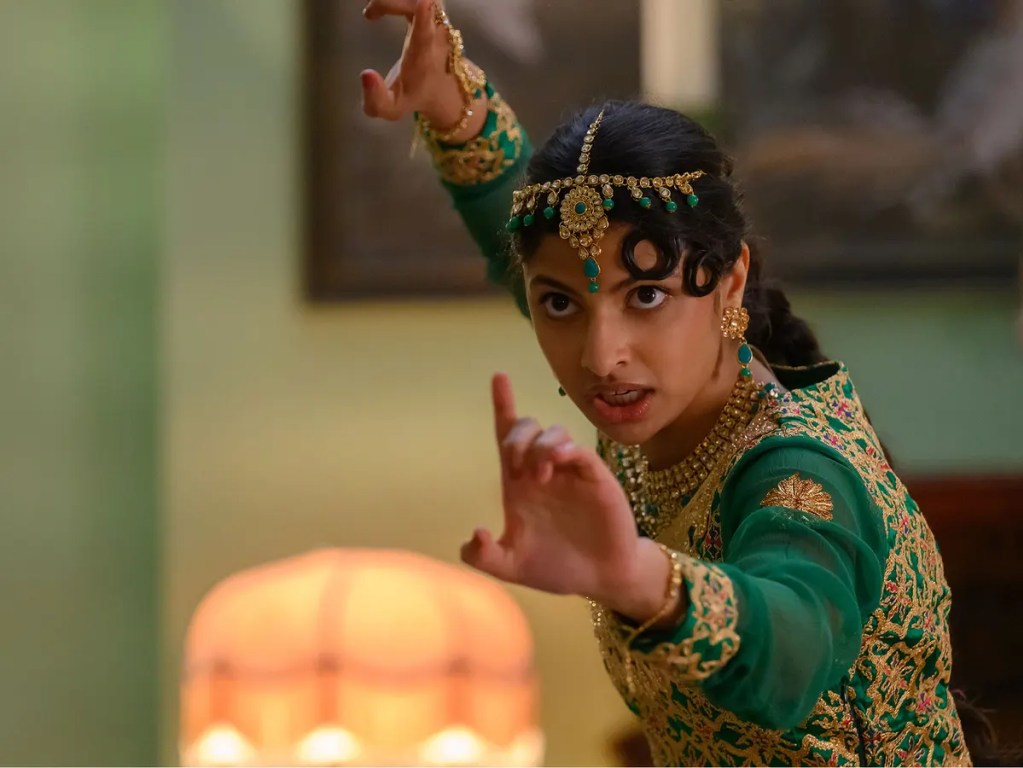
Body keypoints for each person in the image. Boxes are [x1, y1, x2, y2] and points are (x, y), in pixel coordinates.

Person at [358, 1, 974, 764]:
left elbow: (794, 643)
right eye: (560, 305)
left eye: (645, 295)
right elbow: (522, 236)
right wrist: (451, 103)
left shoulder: (798, 470)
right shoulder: (654, 393)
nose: (600, 354)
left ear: (729, 281)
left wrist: (638, 578)